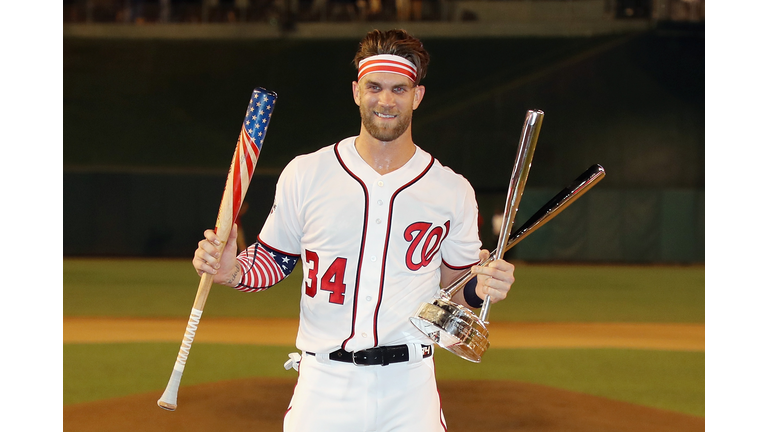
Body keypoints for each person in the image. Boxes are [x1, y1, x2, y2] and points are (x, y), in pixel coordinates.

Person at [192, 28, 516, 431]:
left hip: (409, 386)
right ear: (356, 91)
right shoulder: (307, 173)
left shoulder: (452, 190)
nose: (385, 100)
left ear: (417, 96)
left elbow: (457, 289)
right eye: (374, 87)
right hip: (324, 384)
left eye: (399, 89)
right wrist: (233, 271)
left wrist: (482, 286)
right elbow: (274, 259)